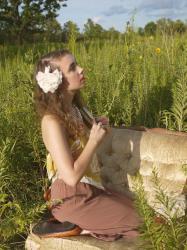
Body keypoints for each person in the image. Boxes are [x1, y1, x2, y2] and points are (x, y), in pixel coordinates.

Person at [33, 49, 140, 241]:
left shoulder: (75, 109)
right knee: (143, 222)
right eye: (73, 68)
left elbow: (82, 141)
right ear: (57, 81)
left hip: (91, 191)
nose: (81, 69)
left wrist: (98, 126)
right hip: (70, 198)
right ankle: (77, 226)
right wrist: (93, 140)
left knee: (143, 212)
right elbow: (71, 177)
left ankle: (86, 226)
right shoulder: (51, 121)